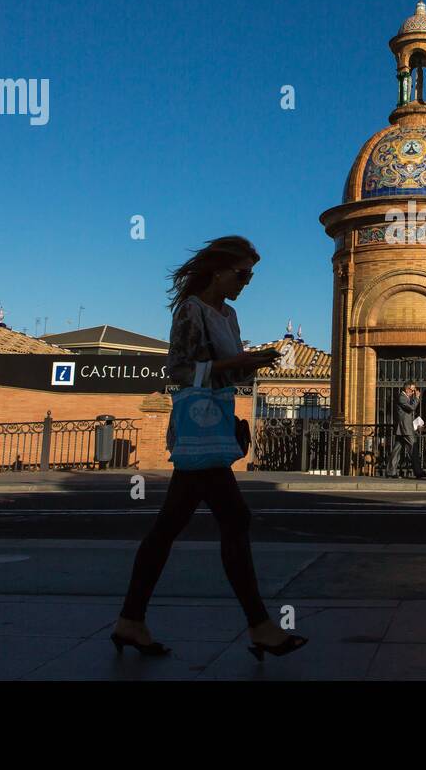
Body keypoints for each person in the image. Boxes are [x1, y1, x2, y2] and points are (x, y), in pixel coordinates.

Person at [113, 236, 309, 661]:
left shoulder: (230, 315)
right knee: (233, 518)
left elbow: (223, 371)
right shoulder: (191, 311)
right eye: (241, 273)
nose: (246, 282)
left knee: (170, 526)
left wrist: (248, 364)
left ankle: (131, 619)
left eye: (251, 275)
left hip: (215, 422)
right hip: (197, 426)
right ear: (217, 271)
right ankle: (259, 627)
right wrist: (236, 364)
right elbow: (179, 370)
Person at [388, 381, 425, 479]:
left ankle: (391, 472)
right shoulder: (402, 397)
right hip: (405, 429)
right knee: (413, 448)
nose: (413, 392)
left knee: (396, 450)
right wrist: (417, 398)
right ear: (407, 389)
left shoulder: (406, 397)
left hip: (403, 428)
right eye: (413, 390)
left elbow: (407, 414)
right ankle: (418, 472)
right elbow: (412, 408)